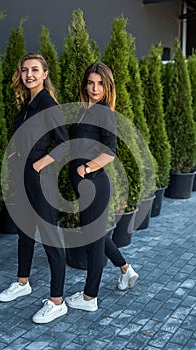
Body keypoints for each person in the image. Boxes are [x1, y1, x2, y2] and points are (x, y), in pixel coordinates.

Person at [0, 53, 69, 324]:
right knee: (24, 232)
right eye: (25, 70)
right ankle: (23, 282)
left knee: (50, 237)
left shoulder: (48, 104)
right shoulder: (27, 104)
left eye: (35, 70)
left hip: (42, 179)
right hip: (22, 175)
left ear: (45, 74)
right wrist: (16, 157)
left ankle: (57, 301)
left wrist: (38, 164)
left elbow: (64, 144)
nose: (29, 74)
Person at [65, 62, 138, 312]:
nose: (95, 88)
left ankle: (89, 298)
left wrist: (85, 170)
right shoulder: (85, 109)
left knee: (93, 239)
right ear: (85, 84)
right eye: (90, 82)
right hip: (85, 186)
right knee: (94, 234)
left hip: (94, 184)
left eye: (100, 84)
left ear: (107, 87)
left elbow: (110, 153)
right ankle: (126, 270)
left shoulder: (104, 112)